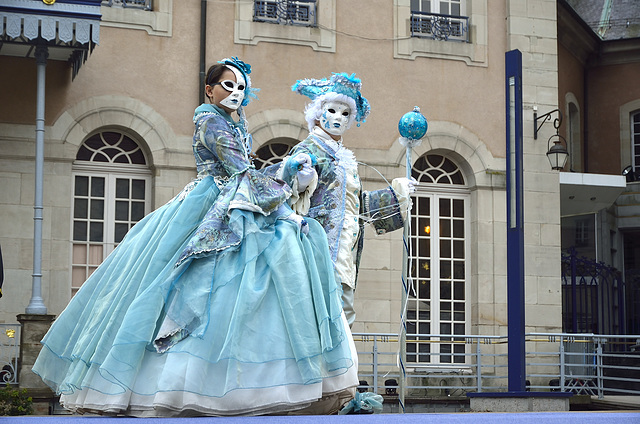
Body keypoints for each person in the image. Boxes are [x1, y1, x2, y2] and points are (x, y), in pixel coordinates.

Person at [32, 58, 358, 417]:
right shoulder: (210, 122)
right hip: (211, 203)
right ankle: (178, 387)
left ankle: (239, 386)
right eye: (228, 85)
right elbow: (238, 169)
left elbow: (246, 172)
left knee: (243, 292)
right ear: (209, 89)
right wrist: (283, 189)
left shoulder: (235, 121)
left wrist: (283, 174)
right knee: (194, 283)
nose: (236, 92)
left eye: (241, 87)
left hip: (235, 198)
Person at [270, 73, 414, 326]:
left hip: (346, 249)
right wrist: (300, 178)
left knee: (343, 312)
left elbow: (358, 206)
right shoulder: (308, 150)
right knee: (319, 313)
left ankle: (337, 363)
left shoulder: (345, 158)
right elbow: (283, 189)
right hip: (315, 247)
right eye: (332, 110)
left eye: (345, 113)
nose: (338, 117)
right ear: (318, 113)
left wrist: (398, 193)